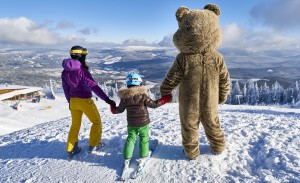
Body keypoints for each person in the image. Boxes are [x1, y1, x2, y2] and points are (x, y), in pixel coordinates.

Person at [61, 45, 115, 158]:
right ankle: (94, 144)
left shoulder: (64, 72)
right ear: (82, 57)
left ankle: (71, 149)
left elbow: (66, 89)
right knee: (96, 122)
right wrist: (107, 99)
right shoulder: (82, 71)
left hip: (73, 102)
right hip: (84, 100)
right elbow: (94, 87)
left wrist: (70, 102)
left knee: (75, 125)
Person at [110, 73, 171, 165]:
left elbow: (119, 110)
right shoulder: (143, 95)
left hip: (131, 124)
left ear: (127, 83)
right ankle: (144, 155)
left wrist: (113, 108)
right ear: (139, 84)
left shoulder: (125, 98)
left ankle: (127, 156)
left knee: (131, 139)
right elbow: (154, 105)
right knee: (144, 138)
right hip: (144, 123)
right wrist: (164, 99)